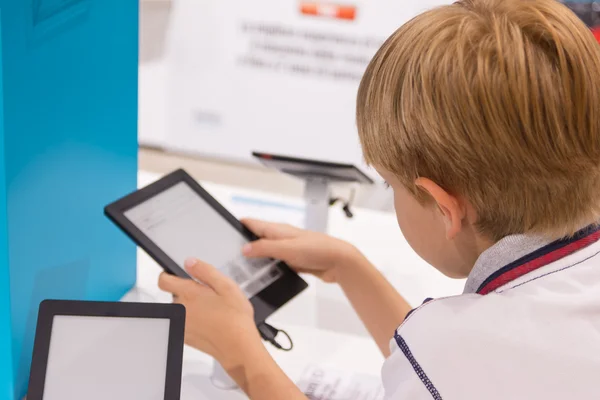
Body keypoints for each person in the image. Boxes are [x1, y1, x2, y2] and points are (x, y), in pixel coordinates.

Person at [157, 0, 600, 398]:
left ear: (444, 208)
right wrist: (349, 266)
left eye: (391, 187)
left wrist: (240, 355)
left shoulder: (457, 346)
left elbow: (452, 355)